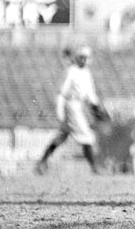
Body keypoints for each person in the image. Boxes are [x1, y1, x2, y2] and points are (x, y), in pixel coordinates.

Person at [37, 46, 105, 174]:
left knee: (63, 135)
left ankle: (42, 162)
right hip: (71, 105)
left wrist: (96, 106)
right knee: (86, 135)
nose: (84, 60)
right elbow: (62, 92)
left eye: (86, 58)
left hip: (79, 105)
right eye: (82, 57)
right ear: (77, 58)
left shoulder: (86, 73)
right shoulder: (71, 71)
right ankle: (94, 167)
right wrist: (59, 109)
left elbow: (90, 93)